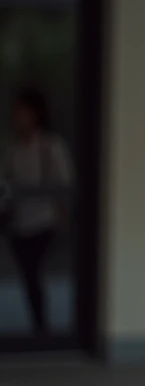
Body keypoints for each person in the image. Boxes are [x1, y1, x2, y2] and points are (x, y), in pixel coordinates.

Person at [2, 87, 72, 337]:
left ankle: (42, 328)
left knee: (35, 274)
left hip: (44, 221)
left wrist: (63, 216)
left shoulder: (50, 146)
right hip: (20, 223)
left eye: (21, 111)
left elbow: (63, 184)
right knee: (28, 277)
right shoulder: (14, 150)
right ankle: (38, 326)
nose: (16, 116)